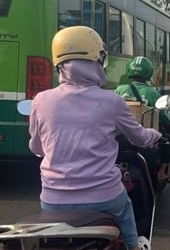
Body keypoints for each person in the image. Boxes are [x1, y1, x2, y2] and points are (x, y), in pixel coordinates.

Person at [28, 26, 162, 250]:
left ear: (59, 64)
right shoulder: (112, 102)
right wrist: (155, 135)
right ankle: (132, 246)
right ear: (98, 61)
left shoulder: (40, 100)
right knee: (126, 211)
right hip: (105, 198)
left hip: (53, 200)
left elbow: (37, 148)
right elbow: (140, 138)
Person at [114, 56, 170, 183]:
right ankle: (161, 173)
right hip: (145, 133)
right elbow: (164, 118)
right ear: (149, 73)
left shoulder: (120, 89)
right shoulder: (153, 93)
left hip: (122, 133)